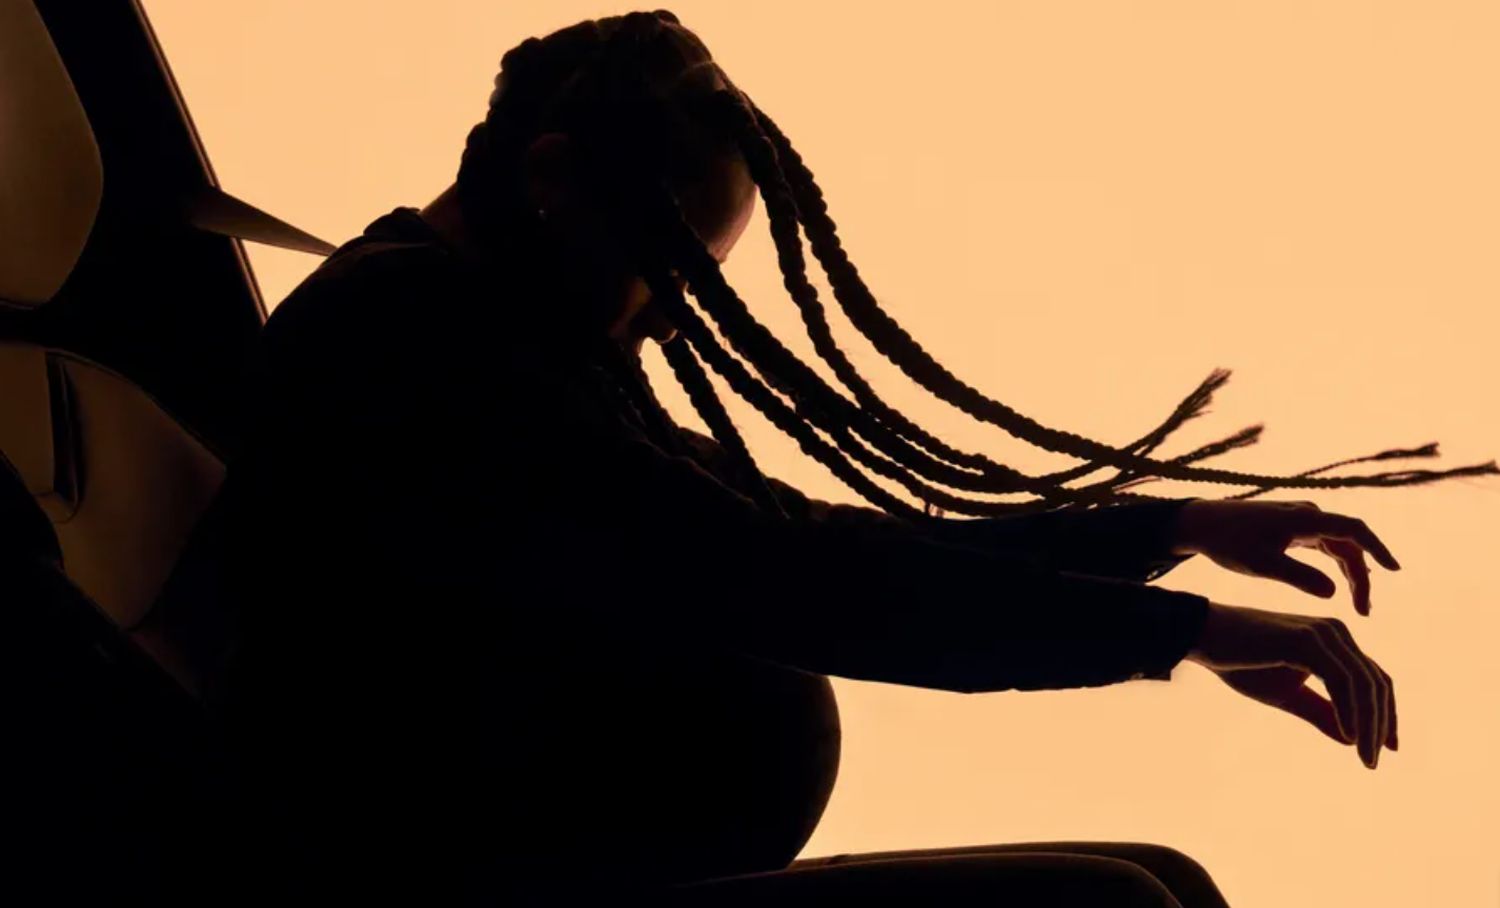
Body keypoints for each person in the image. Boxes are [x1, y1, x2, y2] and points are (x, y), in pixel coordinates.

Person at [218, 9, 1490, 905]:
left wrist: (1163, 531)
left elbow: (814, 537)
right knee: (1123, 903)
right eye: (667, 269)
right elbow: (792, 579)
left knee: (1158, 883)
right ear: (553, 181)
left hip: (582, 871)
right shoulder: (417, 345)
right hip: (457, 890)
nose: (672, 315)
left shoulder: (508, 338)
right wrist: (1185, 630)